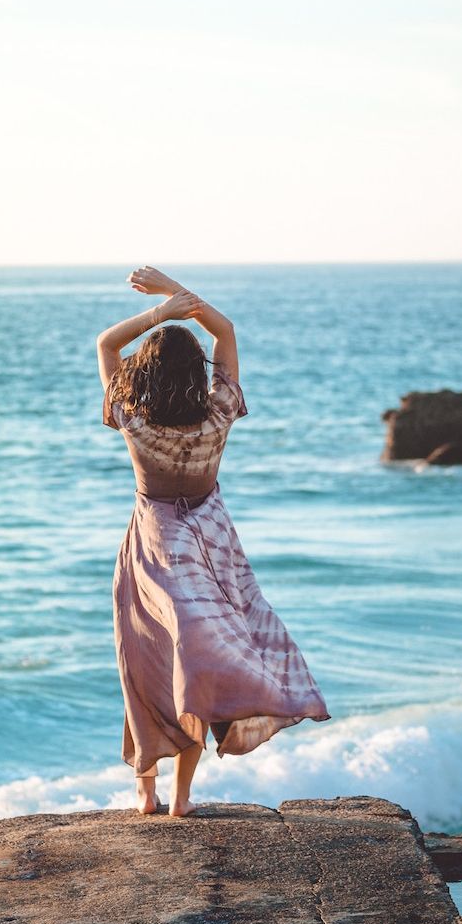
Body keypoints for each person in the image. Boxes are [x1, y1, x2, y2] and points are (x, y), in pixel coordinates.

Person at [96, 266, 331, 818]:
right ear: (196, 373)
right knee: (196, 670)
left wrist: (161, 311)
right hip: (215, 545)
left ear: (144, 375)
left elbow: (107, 342)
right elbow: (225, 334)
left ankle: (146, 790)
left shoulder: (132, 417)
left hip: (154, 548)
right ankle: (180, 798)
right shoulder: (219, 411)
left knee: (147, 661)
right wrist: (181, 296)